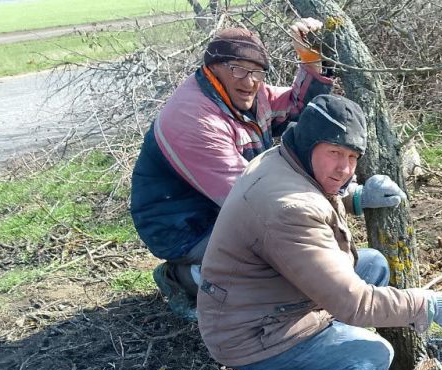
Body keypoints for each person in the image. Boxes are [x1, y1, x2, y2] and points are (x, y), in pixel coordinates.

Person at [197, 94, 442, 370]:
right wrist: (429, 304)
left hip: (261, 300)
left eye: (352, 157)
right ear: (309, 144)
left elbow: (316, 190)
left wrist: (354, 196)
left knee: (373, 264)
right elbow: (354, 302)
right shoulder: (288, 208)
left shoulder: (284, 158)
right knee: (370, 360)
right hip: (249, 331)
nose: (344, 168)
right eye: (335, 153)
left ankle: (318, 348)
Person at [131, 21, 346, 321]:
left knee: (285, 247)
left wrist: (311, 61)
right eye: (238, 69)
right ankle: (186, 276)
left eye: (257, 71)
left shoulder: (248, 94)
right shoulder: (195, 120)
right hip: (181, 225)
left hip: (218, 206)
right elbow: (250, 201)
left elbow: (299, 109)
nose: (250, 81)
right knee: (266, 262)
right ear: (213, 67)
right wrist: (344, 200)